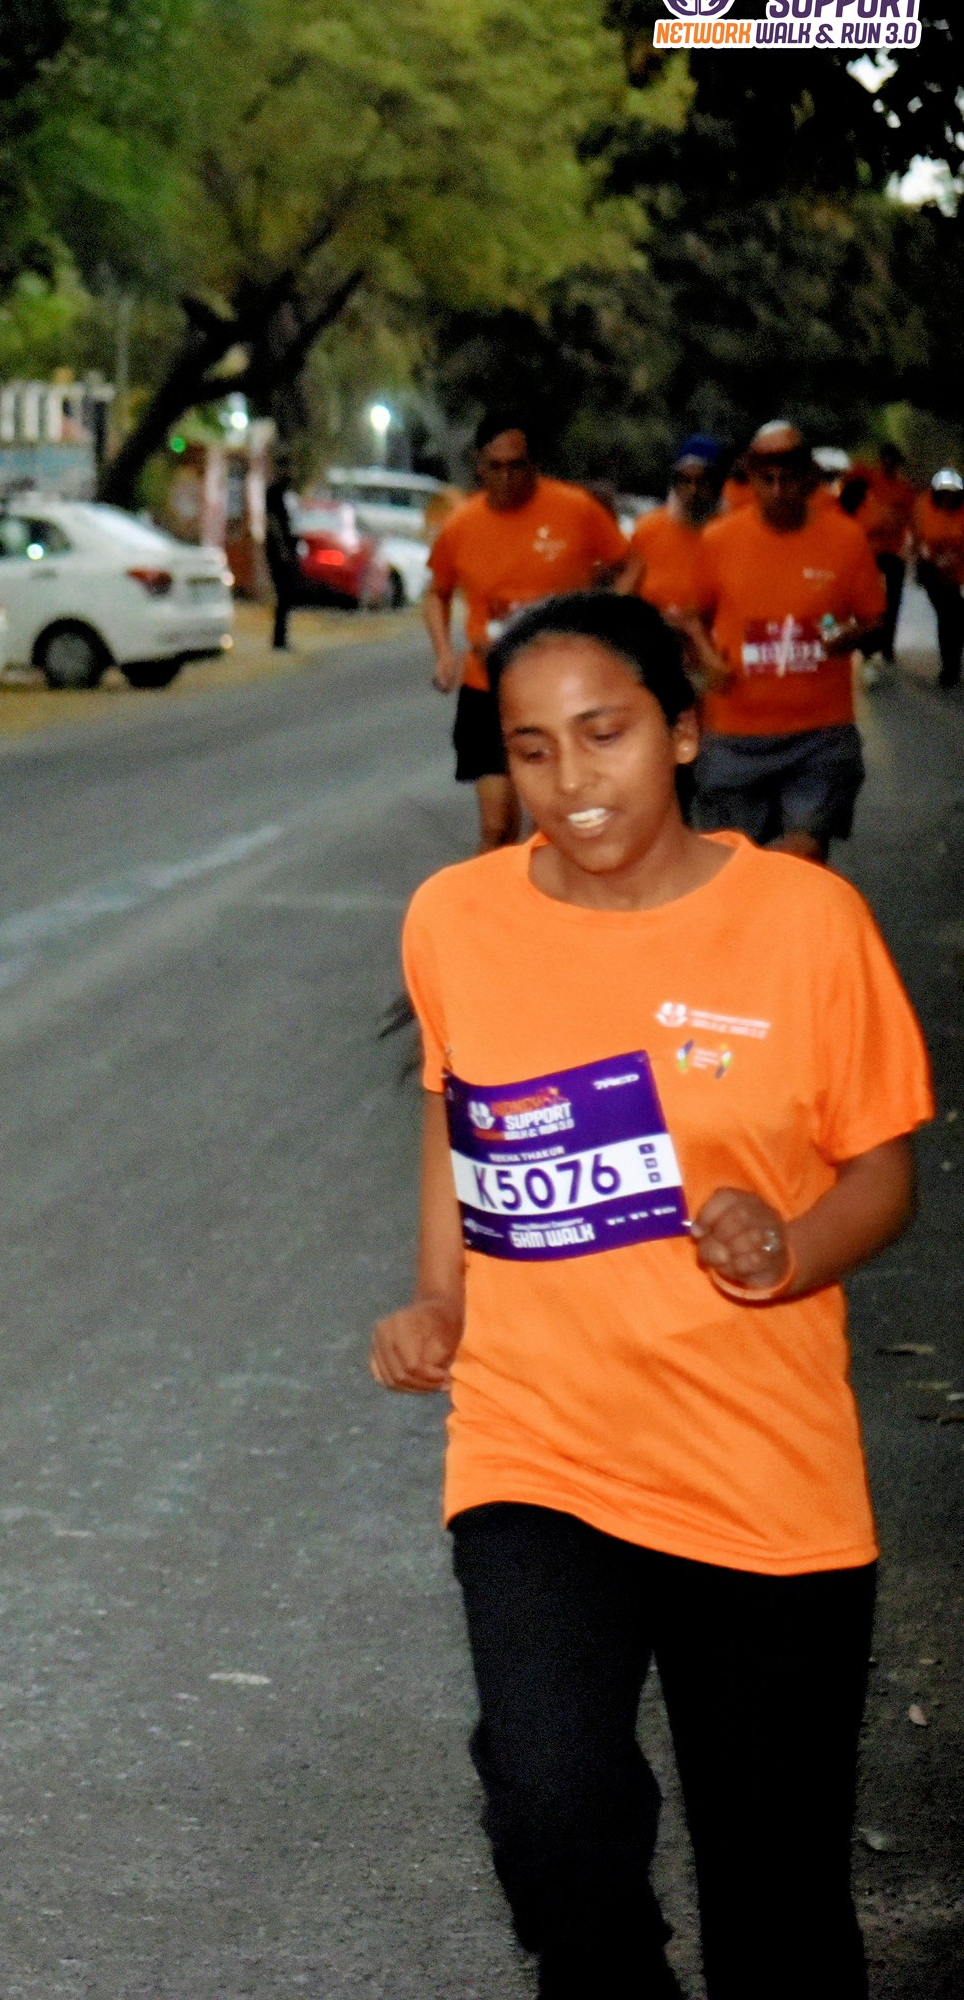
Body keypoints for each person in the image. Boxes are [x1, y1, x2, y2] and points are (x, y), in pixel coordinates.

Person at [373, 589, 928, 1997]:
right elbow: (454, 1110)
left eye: (602, 733)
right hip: (535, 1447)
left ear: (681, 732)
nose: (570, 779)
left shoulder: (804, 920)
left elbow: (880, 1169)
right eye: (531, 748)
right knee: (551, 1814)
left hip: (760, 1470)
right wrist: (437, 1295)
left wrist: (785, 1246)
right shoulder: (454, 917)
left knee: (777, 1907)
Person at [684, 421, 888, 863]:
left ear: (809, 477)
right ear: (751, 478)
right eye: (767, 478)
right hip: (736, 736)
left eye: (789, 477)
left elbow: (873, 618)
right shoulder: (720, 540)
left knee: (803, 859)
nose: (778, 490)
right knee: (737, 866)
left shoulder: (845, 539)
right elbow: (693, 618)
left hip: (819, 736)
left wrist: (848, 636)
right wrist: (707, 661)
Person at [423, 416, 627, 852]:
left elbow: (629, 564)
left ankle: (548, 893)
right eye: (495, 467)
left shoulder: (574, 509)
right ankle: (494, 897)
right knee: (497, 826)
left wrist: (602, 623)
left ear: (534, 465)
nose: (506, 477)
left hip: (559, 692)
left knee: (550, 826)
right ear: (479, 467)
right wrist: (443, 653)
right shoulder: (462, 524)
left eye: (516, 466)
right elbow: (436, 593)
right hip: (487, 689)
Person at [617, 437, 717, 620]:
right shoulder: (648, 528)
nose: (693, 491)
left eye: (702, 481)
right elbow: (625, 591)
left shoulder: (729, 534)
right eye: (685, 481)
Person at [856, 443, 917, 675]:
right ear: (882, 460)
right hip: (869, 551)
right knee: (868, 602)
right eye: (886, 459)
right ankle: (868, 645)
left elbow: (912, 519)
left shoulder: (905, 489)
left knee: (893, 601)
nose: (889, 464)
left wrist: (911, 547)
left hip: (894, 551)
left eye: (894, 460)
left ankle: (888, 646)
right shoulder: (869, 482)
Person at [904, 465, 964, 689]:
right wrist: (927, 556)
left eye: (953, 494)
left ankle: (953, 662)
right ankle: (949, 667)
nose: (949, 498)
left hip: (957, 570)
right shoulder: (923, 507)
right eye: (944, 493)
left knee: (956, 617)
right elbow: (917, 538)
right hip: (932, 569)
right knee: (947, 614)